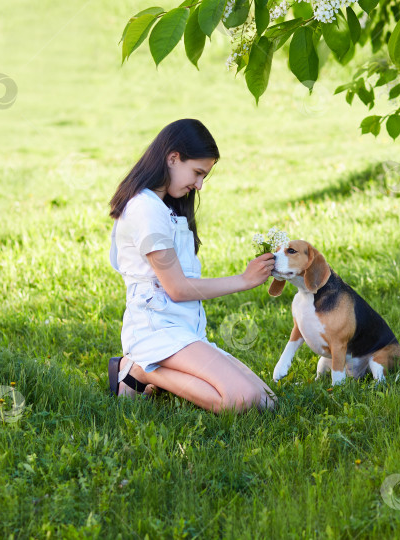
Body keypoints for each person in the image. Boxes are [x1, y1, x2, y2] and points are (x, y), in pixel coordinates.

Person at [107, 118, 277, 413]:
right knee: (243, 400)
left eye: (204, 177)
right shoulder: (146, 209)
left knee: (267, 402)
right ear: (173, 158)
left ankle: (151, 372)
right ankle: (141, 370)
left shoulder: (166, 208)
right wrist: (245, 279)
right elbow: (177, 288)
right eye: (197, 173)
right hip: (156, 329)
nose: (198, 185)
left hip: (183, 330)